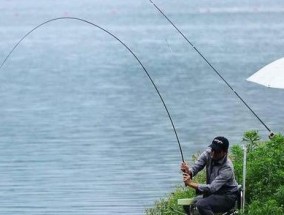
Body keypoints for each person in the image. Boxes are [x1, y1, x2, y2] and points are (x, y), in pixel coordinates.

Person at [181, 136, 239, 215]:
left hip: (227, 196)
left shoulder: (227, 168)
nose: (213, 153)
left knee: (202, 204)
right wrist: (189, 172)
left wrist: (190, 183)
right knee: (187, 205)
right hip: (213, 195)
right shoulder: (208, 153)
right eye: (213, 149)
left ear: (225, 152)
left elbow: (212, 188)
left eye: (217, 151)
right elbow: (196, 167)